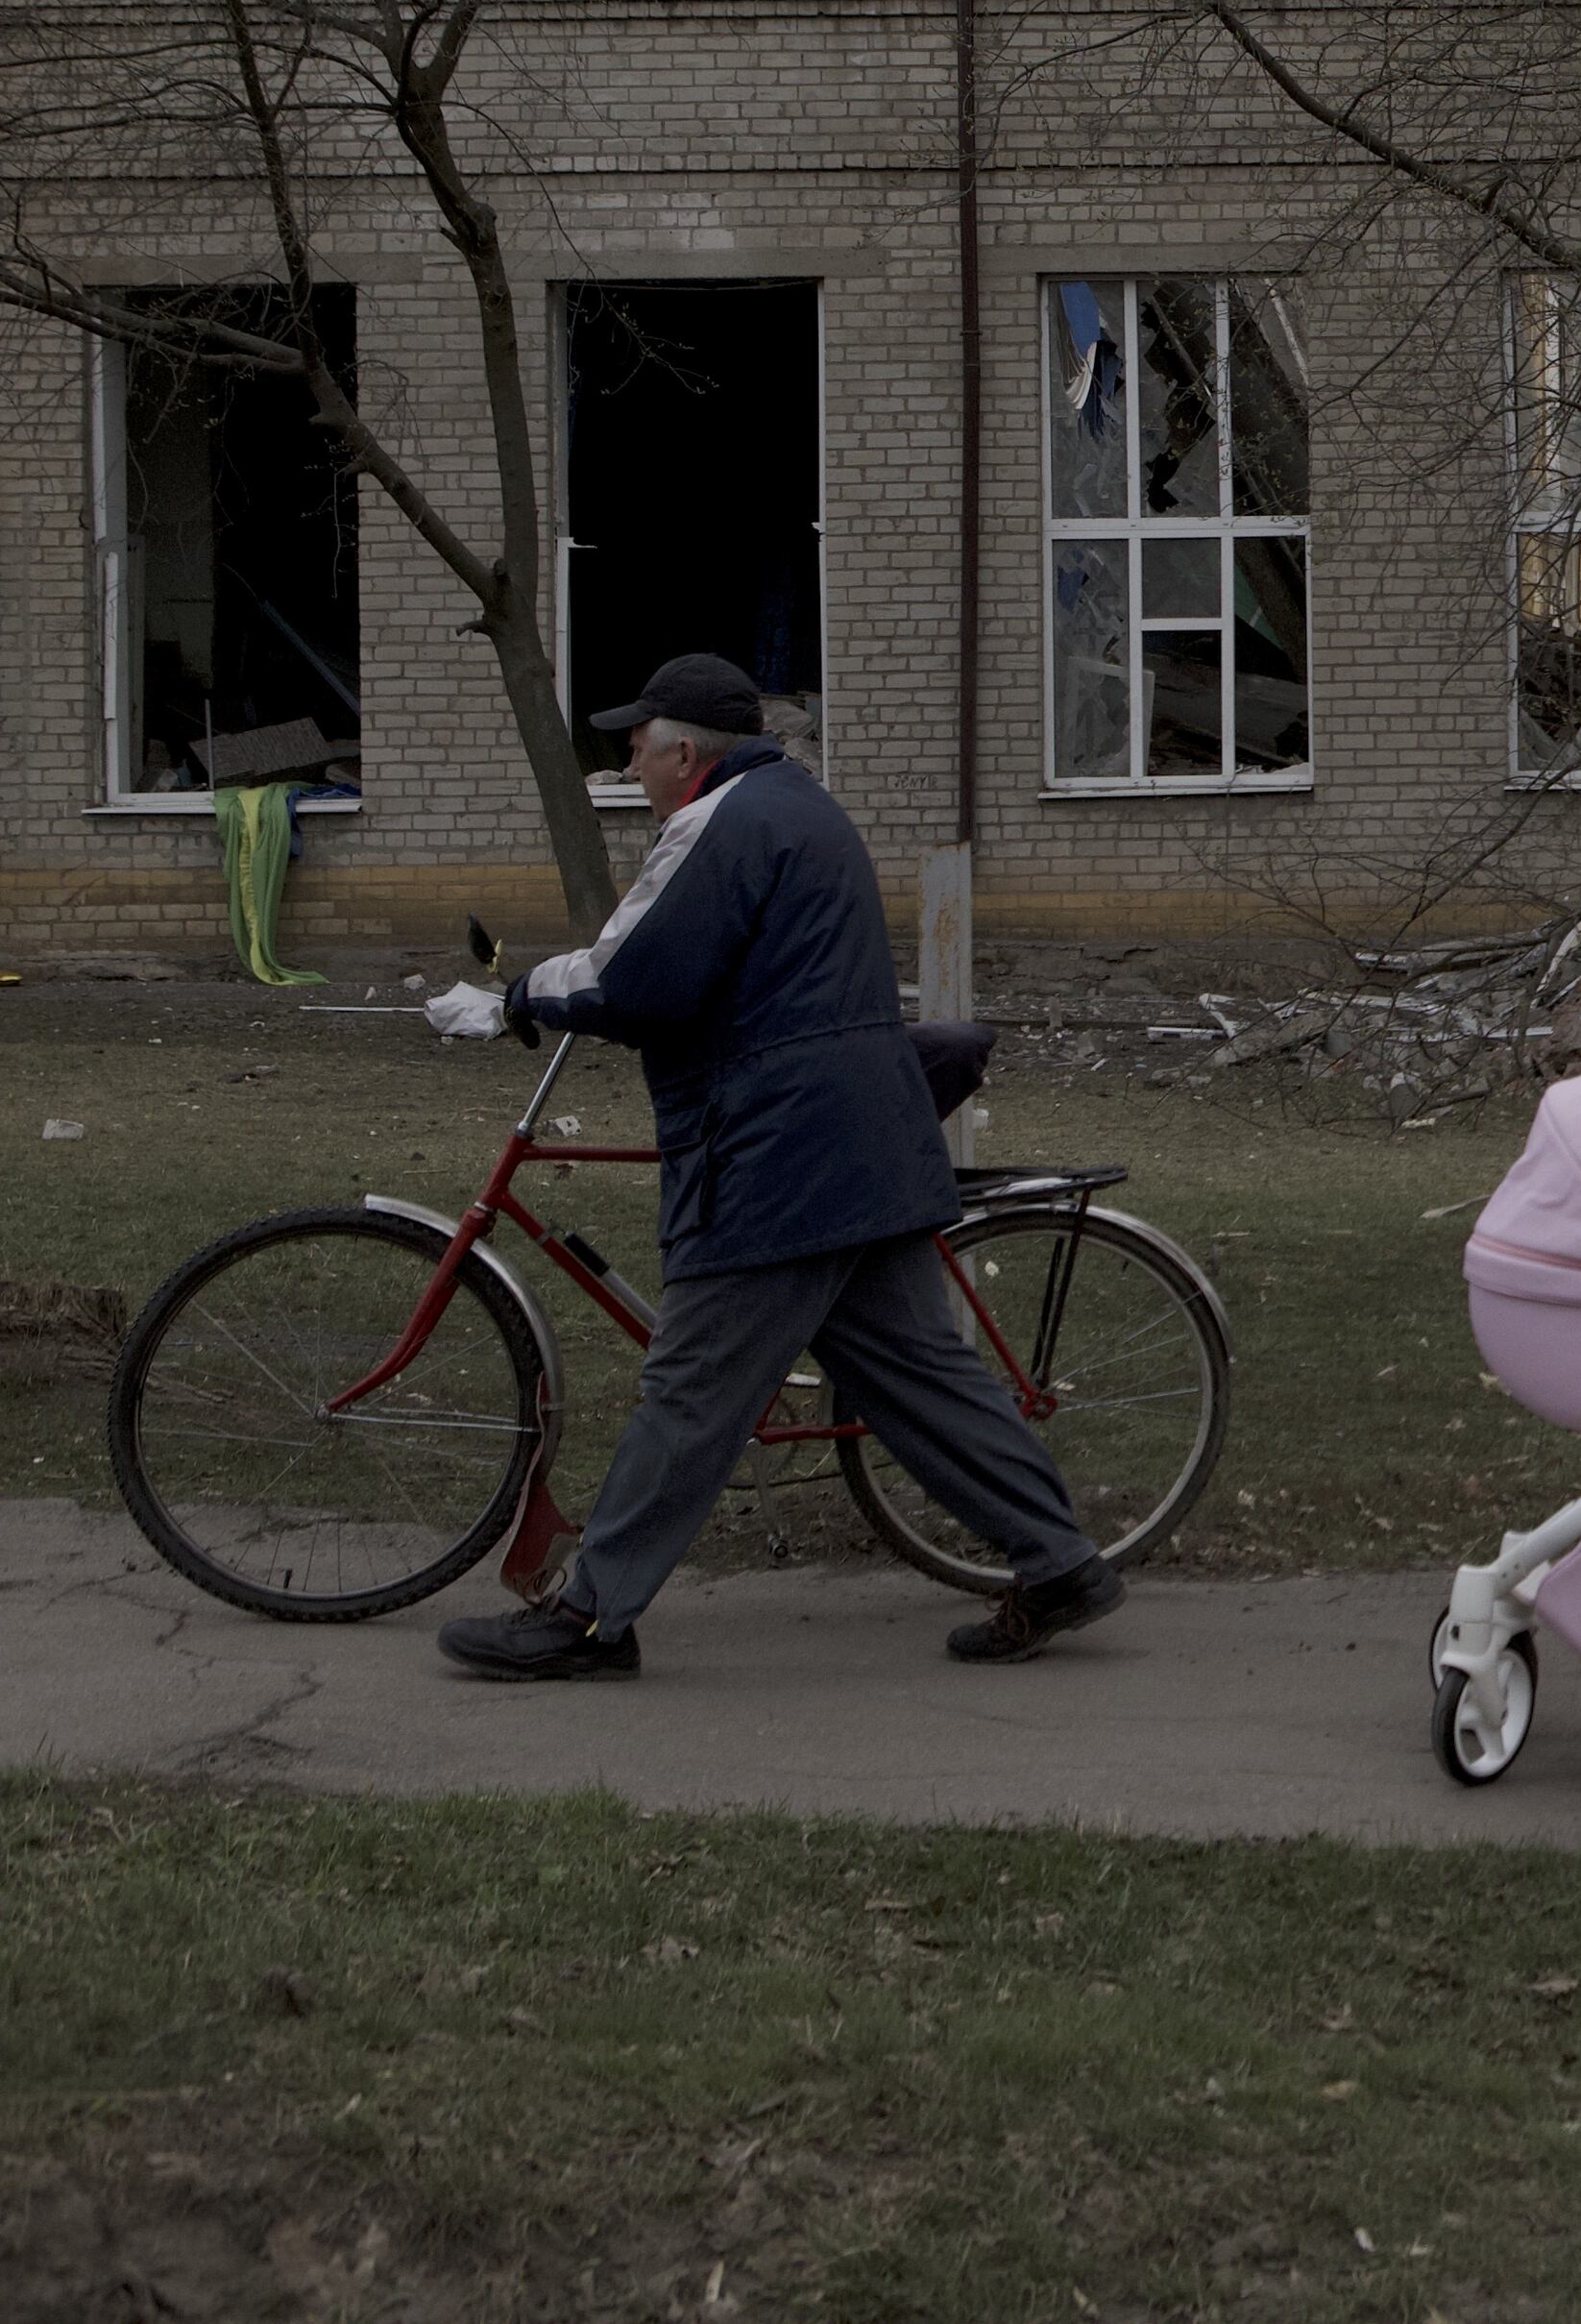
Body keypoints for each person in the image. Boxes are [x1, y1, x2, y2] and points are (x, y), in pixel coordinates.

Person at [420, 652, 1121, 1679]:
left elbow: (641, 973)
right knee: (919, 1375)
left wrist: (514, 999)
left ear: (685, 752)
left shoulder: (721, 820)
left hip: (776, 1155)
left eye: (638, 741)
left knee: (694, 1386)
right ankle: (1059, 1562)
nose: (628, 759)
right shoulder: (799, 806)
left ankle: (587, 1618)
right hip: (863, 1139)